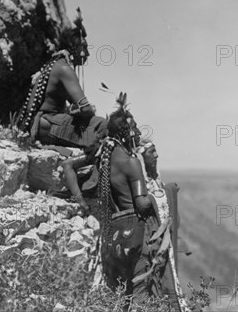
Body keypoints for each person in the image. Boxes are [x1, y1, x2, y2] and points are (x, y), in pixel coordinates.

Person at [96, 94, 190, 312]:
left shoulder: (107, 158)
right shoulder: (131, 162)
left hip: (116, 233)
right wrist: (156, 195)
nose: (138, 133)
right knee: (141, 291)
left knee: (123, 291)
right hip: (137, 233)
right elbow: (142, 204)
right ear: (126, 132)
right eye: (135, 129)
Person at [15, 8, 107, 150]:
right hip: (45, 124)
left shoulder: (54, 63)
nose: (87, 53)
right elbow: (86, 109)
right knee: (101, 124)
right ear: (74, 48)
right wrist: (85, 111)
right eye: (85, 48)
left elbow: (76, 104)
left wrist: (77, 110)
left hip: (38, 122)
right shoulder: (65, 69)